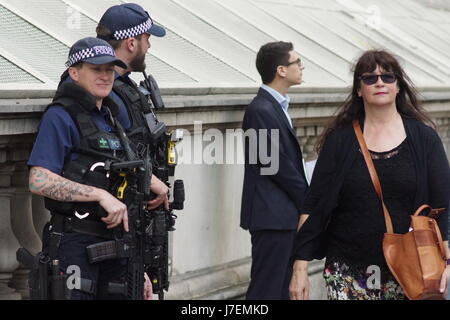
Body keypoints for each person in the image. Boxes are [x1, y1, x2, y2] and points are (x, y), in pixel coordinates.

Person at [289, 49, 450, 300]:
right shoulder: (340, 140)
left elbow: (443, 205)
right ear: (358, 89)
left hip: (409, 271)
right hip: (347, 271)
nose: (379, 83)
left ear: (398, 86)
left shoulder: (424, 138)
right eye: (369, 78)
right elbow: (313, 203)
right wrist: (299, 267)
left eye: (388, 77)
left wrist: (446, 260)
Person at [28, 37, 152, 299]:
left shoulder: (111, 117)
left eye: (109, 69)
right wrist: (99, 195)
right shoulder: (60, 116)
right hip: (75, 244)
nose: (105, 76)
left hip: (117, 246)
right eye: (96, 69)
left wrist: (137, 270)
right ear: (74, 72)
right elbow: (38, 180)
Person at [240, 41, 309, 300]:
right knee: (266, 291)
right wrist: (307, 200)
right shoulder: (260, 109)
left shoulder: (275, 107)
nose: (301, 67)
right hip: (271, 217)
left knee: (280, 290)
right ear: (281, 70)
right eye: (296, 62)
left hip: (280, 215)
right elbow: (273, 164)